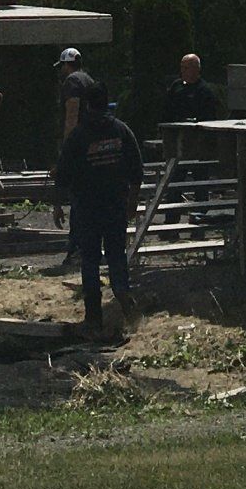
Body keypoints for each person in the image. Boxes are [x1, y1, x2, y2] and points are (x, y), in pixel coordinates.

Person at [55, 76, 144, 337]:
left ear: (87, 106)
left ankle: (93, 318)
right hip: (115, 206)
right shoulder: (121, 131)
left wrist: (58, 204)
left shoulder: (79, 136)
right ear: (107, 104)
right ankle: (126, 302)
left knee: (90, 262)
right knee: (117, 257)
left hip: (87, 208)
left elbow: (63, 173)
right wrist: (132, 202)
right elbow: (136, 171)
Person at [52, 45, 85, 265]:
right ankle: (85, 248)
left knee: (77, 200)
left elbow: (72, 113)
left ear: (66, 64)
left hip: (78, 150)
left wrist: (66, 148)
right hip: (90, 147)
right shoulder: (88, 80)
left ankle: (76, 249)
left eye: (61, 66)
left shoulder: (72, 82)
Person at [161, 52, 223, 126]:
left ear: (196, 69)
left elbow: (208, 116)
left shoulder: (204, 90)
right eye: (182, 67)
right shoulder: (176, 86)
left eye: (186, 68)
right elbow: (167, 109)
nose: (183, 71)